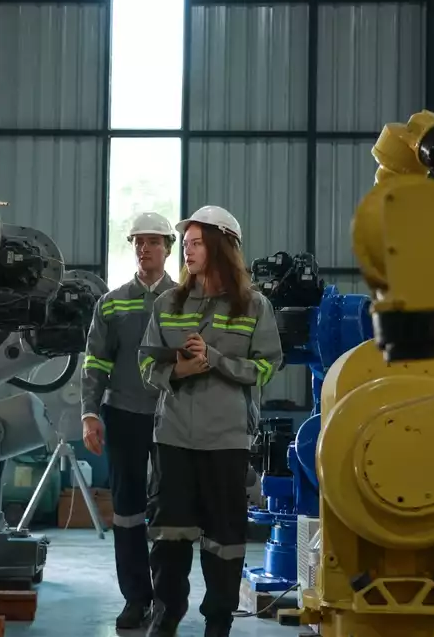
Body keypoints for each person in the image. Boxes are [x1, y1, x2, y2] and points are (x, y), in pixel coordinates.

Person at [138, 206, 283, 637]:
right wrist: (176, 373)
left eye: (196, 243)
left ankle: (218, 623)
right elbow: (145, 361)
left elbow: (265, 369)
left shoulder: (254, 306)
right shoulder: (169, 302)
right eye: (185, 245)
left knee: (224, 542)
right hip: (175, 438)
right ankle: (166, 618)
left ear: (222, 246)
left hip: (226, 441)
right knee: (169, 538)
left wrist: (216, 360)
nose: (187, 251)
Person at [80, 211, 178, 630]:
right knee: (127, 510)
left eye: (154, 241)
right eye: (138, 241)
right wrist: (89, 412)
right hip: (122, 415)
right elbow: (95, 362)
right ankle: (136, 598)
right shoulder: (113, 301)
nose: (145, 248)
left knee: (174, 511)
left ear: (168, 248)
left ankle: (169, 599)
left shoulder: (187, 299)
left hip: (175, 415)